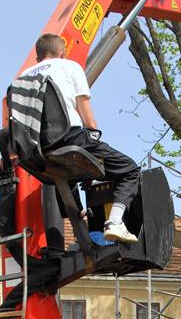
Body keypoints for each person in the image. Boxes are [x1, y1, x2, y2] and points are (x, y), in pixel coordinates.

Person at [15, 33, 140, 244]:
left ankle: (80, 219)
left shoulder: (22, 77)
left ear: (37, 58)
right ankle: (115, 223)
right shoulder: (70, 67)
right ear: (62, 52)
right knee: (129, 169)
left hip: (35, 149)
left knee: (64, 174)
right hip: (69, 138)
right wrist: (93, 133)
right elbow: (83, 105)